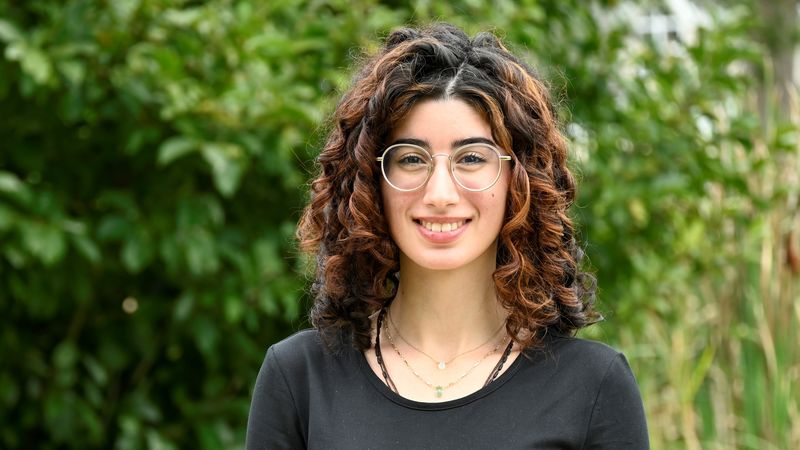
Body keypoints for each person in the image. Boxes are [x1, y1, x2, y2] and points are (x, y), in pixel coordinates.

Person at [246, 23, 649, 449]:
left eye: (472, 157)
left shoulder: (593, 387)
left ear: (521, 178)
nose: (439, 194)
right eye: (411, 159)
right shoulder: (299, 377)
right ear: (370, 181)